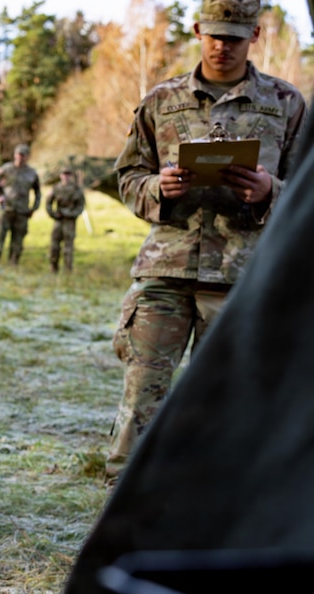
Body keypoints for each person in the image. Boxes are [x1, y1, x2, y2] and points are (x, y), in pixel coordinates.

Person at [103, 0, 306, 486]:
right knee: (141, 396)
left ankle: (221, 504)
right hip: (164, 274)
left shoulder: (286, 103)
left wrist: (269, 192)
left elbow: (307, 191)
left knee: (232, 398)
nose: (222, 45)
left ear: (255, 34)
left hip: (243, 277)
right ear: (197, 29)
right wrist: (159, 188)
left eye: (234, 36)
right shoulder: (161, 99)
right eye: (214, 34)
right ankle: (126, 503)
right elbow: (128, 175)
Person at [0, 143, 41, 264]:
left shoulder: (32, 173)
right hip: (6, 209)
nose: (21, 157)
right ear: (15, 155)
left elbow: (38, 192)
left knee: (18, 240)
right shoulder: (5, 169)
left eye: (24, 155)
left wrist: (34, 208)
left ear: (27, 157)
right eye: (19, 155)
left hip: (22, 211)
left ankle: (13, 264)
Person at [45, 167, 86, 273]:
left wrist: (72, 214)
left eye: (68, 174)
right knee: (54, 245)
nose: (66, 176)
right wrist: (53, 214)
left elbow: (80, 205)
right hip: (58, 220)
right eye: (64, 174)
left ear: (71, 176)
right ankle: (53, 267)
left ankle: (68, 269)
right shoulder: (56, 188)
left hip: (70, 221)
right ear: (60, 175)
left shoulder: (76, 189)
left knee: (68, 246)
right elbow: (48, 202)